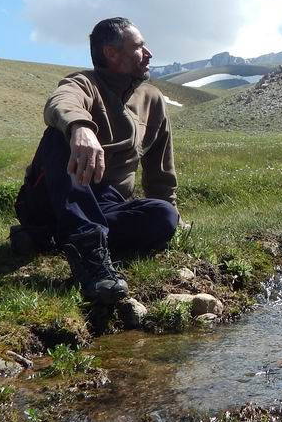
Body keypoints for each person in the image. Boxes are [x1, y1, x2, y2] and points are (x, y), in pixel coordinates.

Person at [12, 17, 179, 305]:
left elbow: (159, 170)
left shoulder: (152, 99)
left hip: (106, 204)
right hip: (53, 194)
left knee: (163, 216)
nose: (149, 53)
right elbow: (60, 102)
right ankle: (91, 263)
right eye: (139, 46)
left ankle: (49, 238)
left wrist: (173, 212)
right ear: (111, 53)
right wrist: (80, 127)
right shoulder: (84, 83)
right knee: (58, 137)